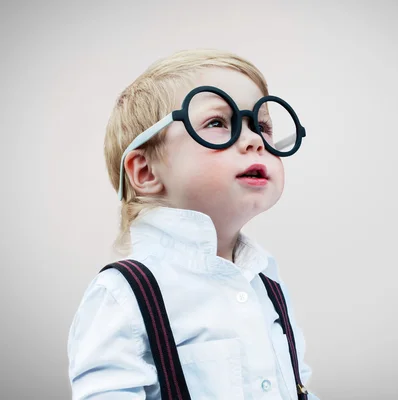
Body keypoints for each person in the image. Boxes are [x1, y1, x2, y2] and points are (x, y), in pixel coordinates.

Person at [67, 48, 319, 399]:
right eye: (217, 123)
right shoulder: (124, 294)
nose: (253, 141)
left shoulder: (269, 285)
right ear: (146, 171)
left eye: (261, 126)